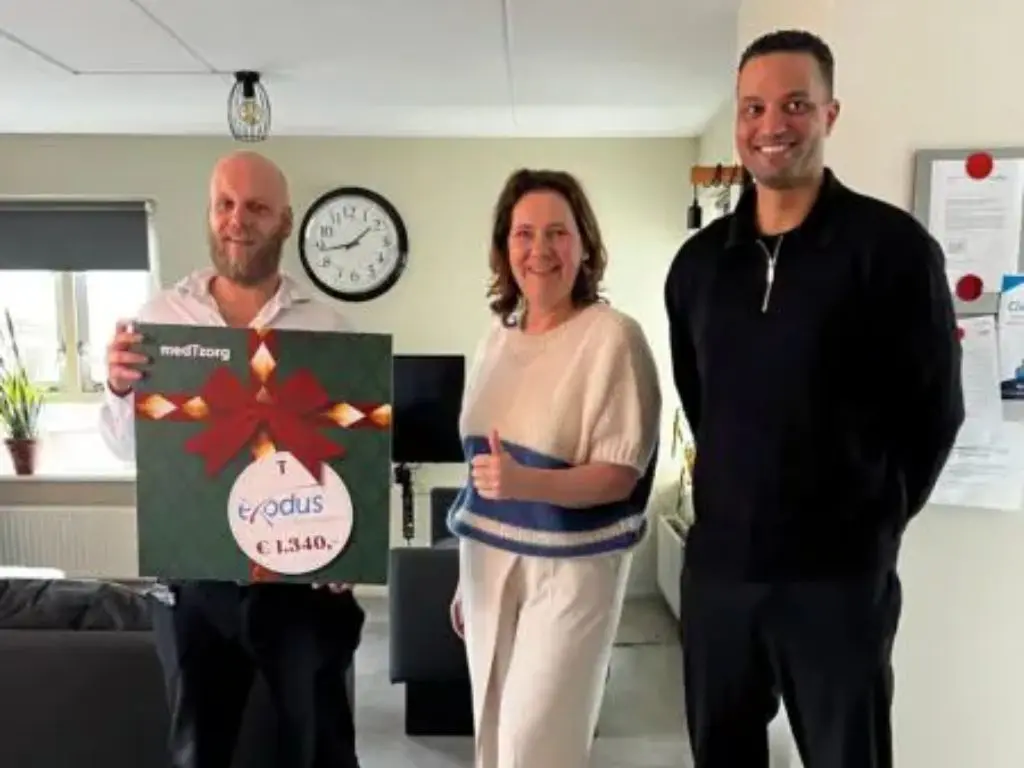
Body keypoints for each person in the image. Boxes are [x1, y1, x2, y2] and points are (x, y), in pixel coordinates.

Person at [665, 30, 964, 768]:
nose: (772, 125)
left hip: (837, 579)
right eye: (754, 107)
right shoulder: (698, 266)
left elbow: (934, 411)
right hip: (722, 575)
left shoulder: (892, 249)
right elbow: (702, 398)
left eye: (795, 104)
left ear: (830, 113)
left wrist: (874, 523)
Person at [98, 150, 365, 768]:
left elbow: (350, 459)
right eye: (225, 204)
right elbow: (126, 450)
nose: (237, 220)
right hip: (195, 579)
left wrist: (351, 546)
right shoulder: (158, 321)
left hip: (298, 581)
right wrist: (117, 389)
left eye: (257, 207)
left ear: (285, 221)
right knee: (198, 749)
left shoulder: (328, 326)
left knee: (316, 747)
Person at [447, 168, 662, 768]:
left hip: (570, 570)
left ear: (584, 245)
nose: (539, 249)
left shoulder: (612, 338)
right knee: (493, 734)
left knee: (535, 744)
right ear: (504, 247)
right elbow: (479, 472)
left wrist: (526, 482)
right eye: (523, 234)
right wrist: (464, 576)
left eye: (557, 233)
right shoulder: (495, 340)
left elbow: (620, 474)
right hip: (487, 563)